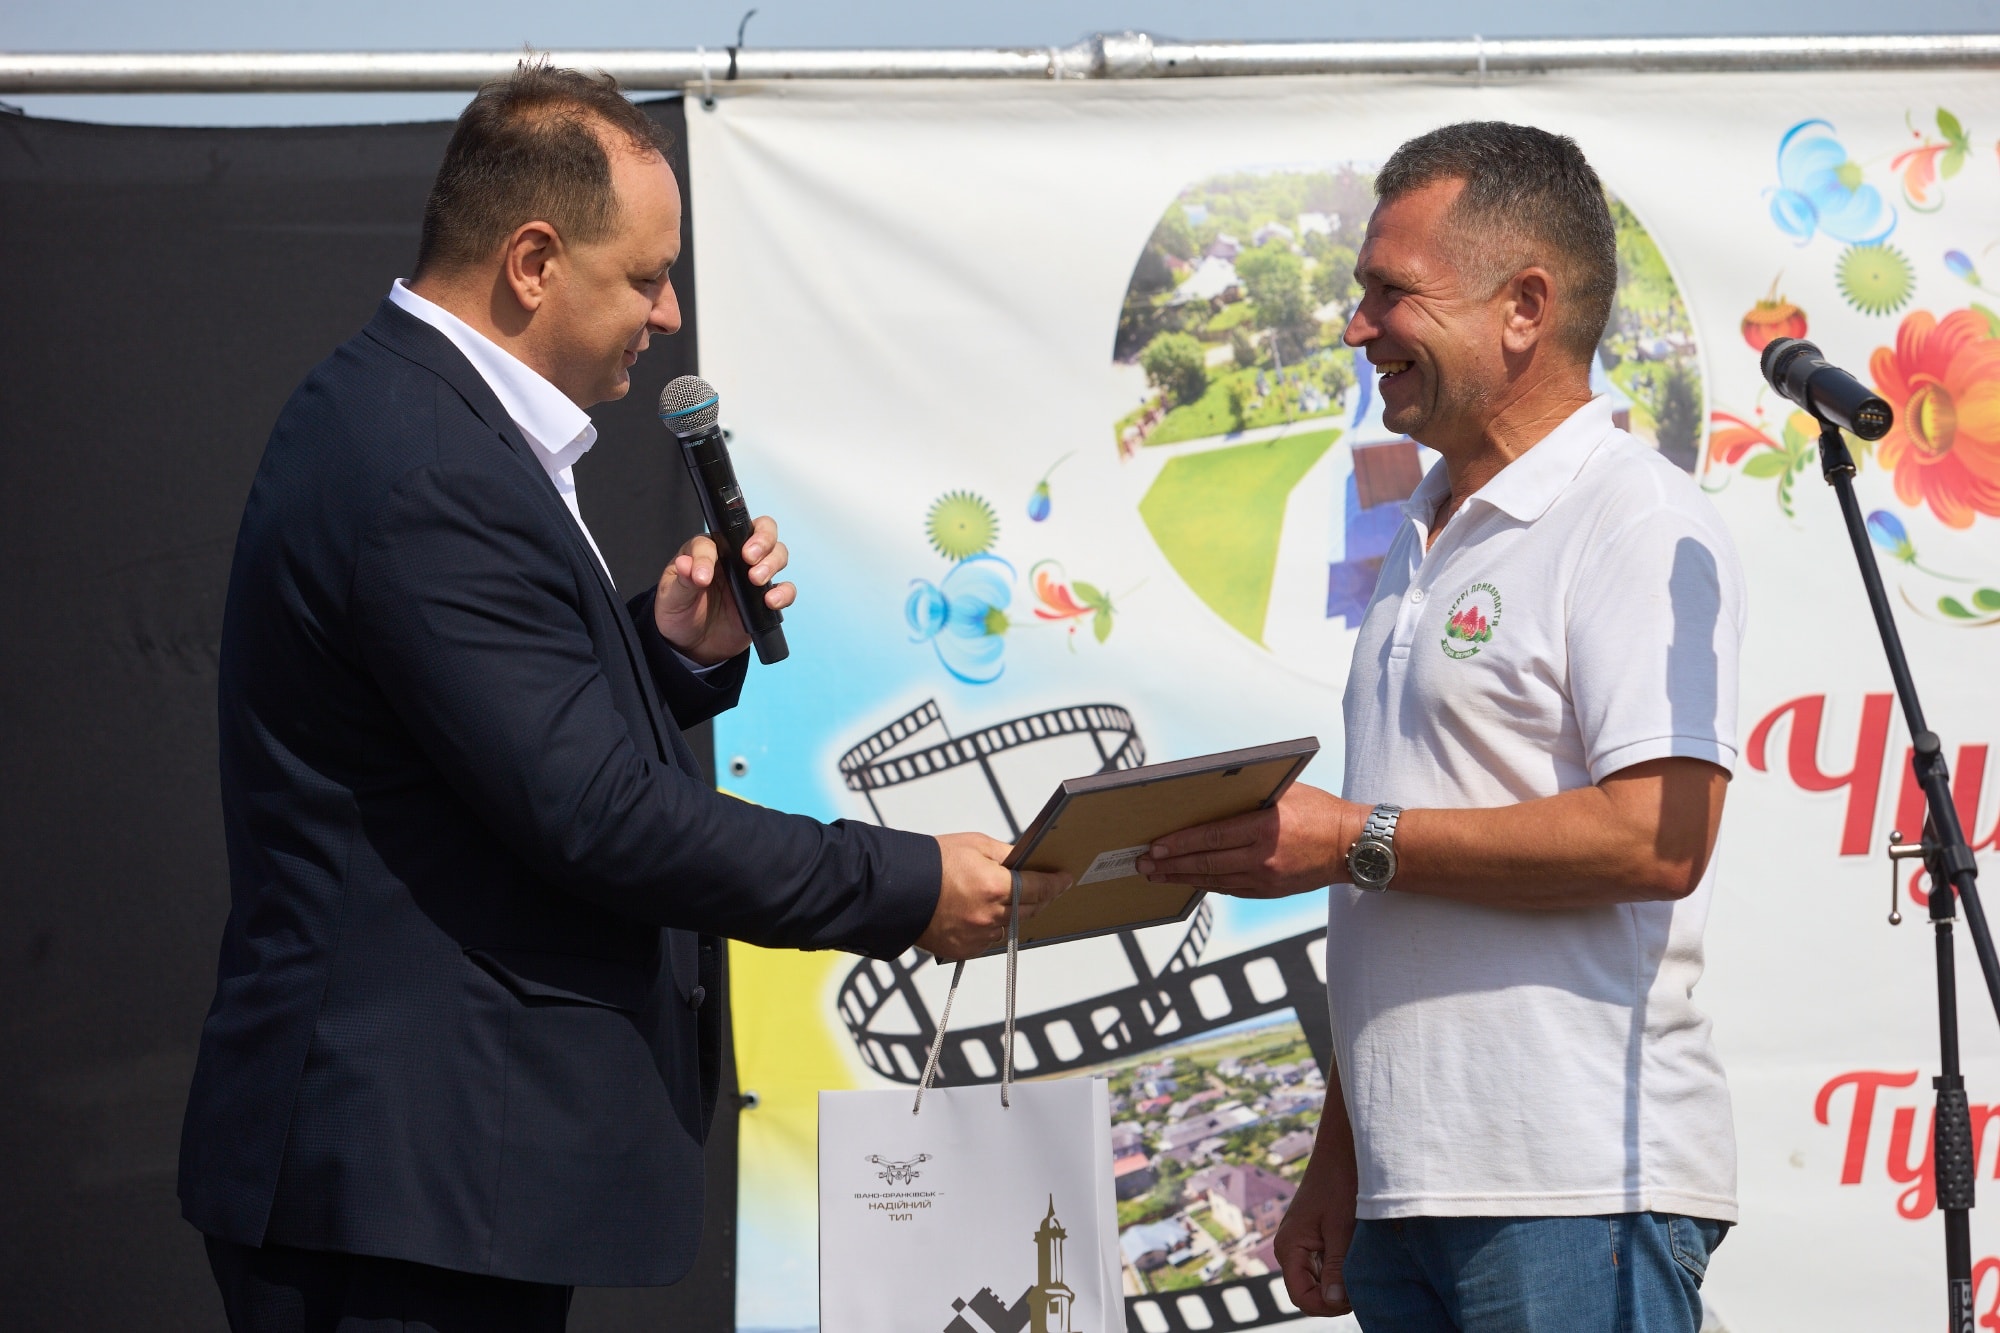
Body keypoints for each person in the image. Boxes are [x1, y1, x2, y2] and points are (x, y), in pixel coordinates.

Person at [178, 62, 1065, 1332]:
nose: (668, 313)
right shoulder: (428, 462)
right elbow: (594, 813)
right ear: (533, 262)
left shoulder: (425, 425)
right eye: (645, 277)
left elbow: (478, 745)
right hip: (395, 1191)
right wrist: (908, 885)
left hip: (426, 1184)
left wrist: (662, 649)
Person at [1140, 122, 1742, 1331]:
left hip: (1574, 1186)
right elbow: (1398, 906)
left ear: (1524, 307)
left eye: (1389, 292)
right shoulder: (1421, 534)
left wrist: (1348, 837)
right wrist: (1340, 1160)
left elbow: (1658, 836)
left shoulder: (1630, 516)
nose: (1354, 327)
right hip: (1408, 1193)